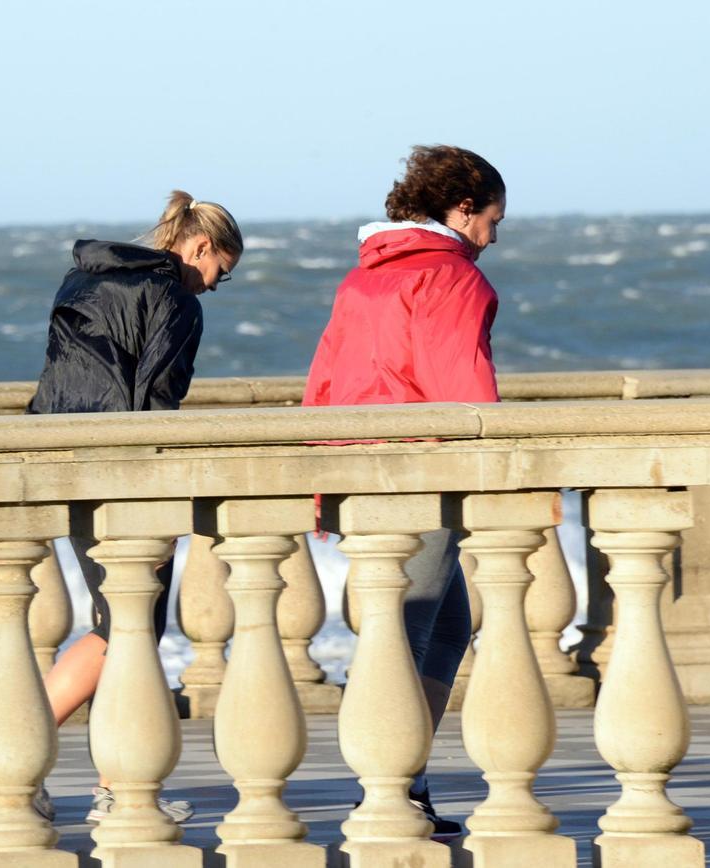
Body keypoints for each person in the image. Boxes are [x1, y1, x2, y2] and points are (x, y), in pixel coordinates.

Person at [303, 144, 506, 839]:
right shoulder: (453, 279)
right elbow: (464, 393)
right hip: (421, 476)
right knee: (410, 628)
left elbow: (323, 381)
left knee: (442, 626)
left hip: (359, 475)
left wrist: (321, 483)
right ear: (463, 207)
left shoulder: (361, 281)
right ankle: (388, 790)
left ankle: (404, 776)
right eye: (491, 221)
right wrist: (492, 474)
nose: (492, 238)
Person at [26, 190, 244, 824]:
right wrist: (159, 504)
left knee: (118, 625)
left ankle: (111, 783)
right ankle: (15, 751)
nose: (213, 287)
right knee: (127, 628)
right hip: (119, 474)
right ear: (199, 247)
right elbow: (154, 404)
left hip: (60, 461)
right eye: (219, 273)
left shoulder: (87, 278)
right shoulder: (174, 298)